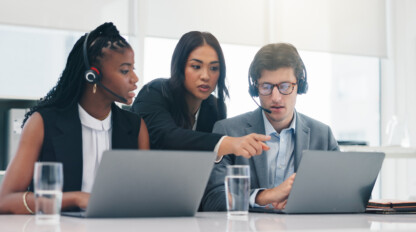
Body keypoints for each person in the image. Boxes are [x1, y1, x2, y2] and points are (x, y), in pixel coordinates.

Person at [0, 22, 149, 214]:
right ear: (92, 76)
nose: (135, 78)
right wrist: (76, 198)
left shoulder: (135, 127)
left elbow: (144, 196)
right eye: (124, 70)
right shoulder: (43, 123)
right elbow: (5, 200)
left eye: (133, 69)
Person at [201, 43, 339, 211]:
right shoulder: (228, 131)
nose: (276, 98)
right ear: (255, 88)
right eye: (266, 87)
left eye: (285, 86)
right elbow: (213, 199)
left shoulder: (322, 135)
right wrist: (266, 196)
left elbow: (342, 193)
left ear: (299, 86)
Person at [131, 31, 270, 160]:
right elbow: (167, 138)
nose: (206, 76)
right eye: (196, 66)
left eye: (214, 68)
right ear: (180, 67)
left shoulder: (214, 107)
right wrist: (229, 143)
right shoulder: (154, 92)